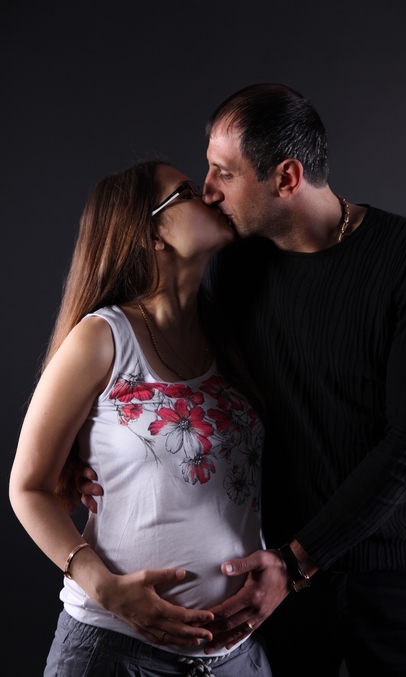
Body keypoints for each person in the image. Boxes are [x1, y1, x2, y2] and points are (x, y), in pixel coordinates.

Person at [74, 85, 406, 676]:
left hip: (391, 571)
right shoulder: (236, 263)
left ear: (287, 177)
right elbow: (185, 383)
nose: (208, 190)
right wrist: (86, 450)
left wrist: (298, 562)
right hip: (271, 583)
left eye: (224, 173)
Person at [9, 160, 273, 676]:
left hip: (235, 658)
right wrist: (106, 588)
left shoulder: (231, 334)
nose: (210, 196)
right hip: (114, 652)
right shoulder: (102, 337)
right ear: (152, 233)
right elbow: (28, 487)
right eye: (187, 191)